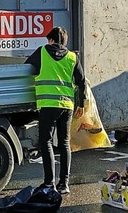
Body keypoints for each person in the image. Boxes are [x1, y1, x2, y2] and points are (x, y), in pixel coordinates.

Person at [25, 27, 86, 195]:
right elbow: (81, 82)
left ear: (51, 40)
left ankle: (49, 183)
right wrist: (81, 104)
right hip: (66, 106)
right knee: (65, 142)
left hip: (48, 104)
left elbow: (26, 68)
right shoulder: (73, 57)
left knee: (46, 142)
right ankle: (64, 184)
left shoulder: (42, 52)